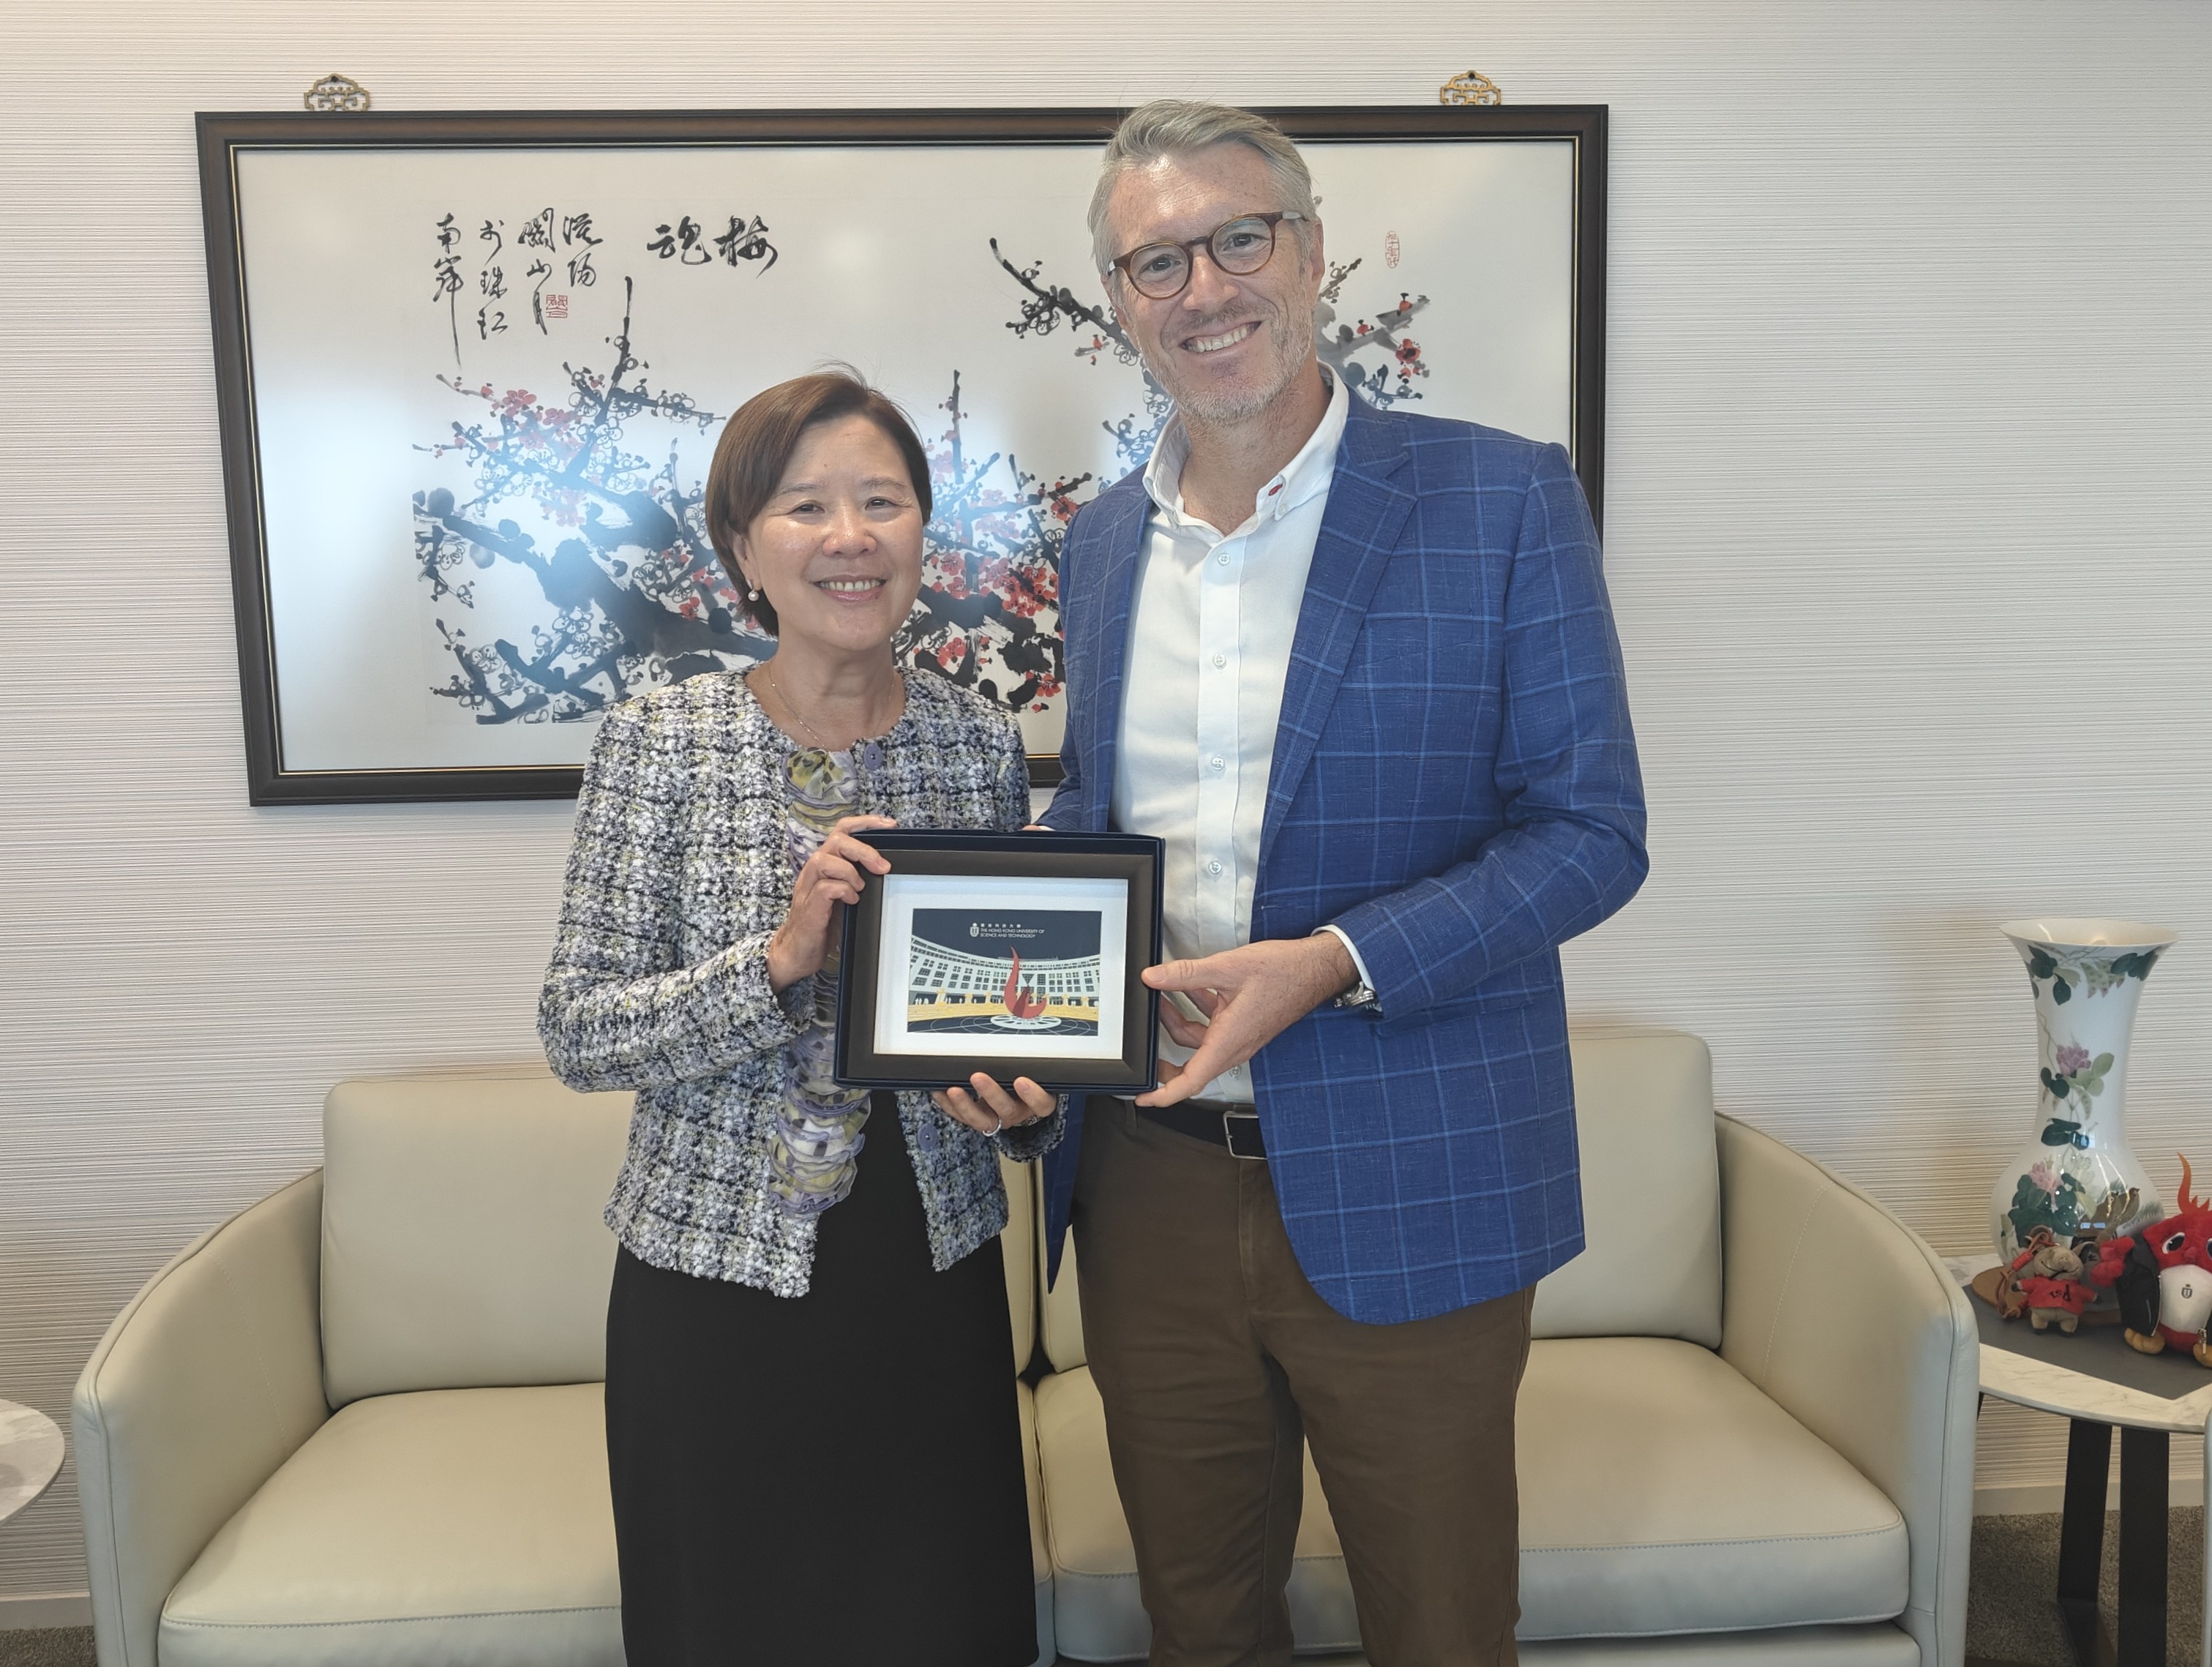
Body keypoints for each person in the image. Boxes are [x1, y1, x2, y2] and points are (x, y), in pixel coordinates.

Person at [1038, 101, 1650, 1666]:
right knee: (1200, 1621)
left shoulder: (1500, 501)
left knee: (1442, 1625)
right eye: (1154, 260)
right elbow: (1099, 825)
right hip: (1151, 1173)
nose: (1204, 287)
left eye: (1239, 238)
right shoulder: (1103, 546)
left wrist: (1333, 959)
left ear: (1312, 253)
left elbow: (1590, 829)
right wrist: (995, 996)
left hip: (1419, 1160)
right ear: (1118, 298)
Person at [539, 369, 1059, 1667]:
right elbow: (578, 1028)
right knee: (735, 1625)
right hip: (715, 1289)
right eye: (806, 505)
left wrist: (1031, 1099)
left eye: (883, 501)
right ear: (742, 551)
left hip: (927, 1269)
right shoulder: (661, 737)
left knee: (941, 1619)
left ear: (921, 537)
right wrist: (775, 962)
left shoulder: (974, 742)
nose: (851, 536)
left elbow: (1016, 1008)